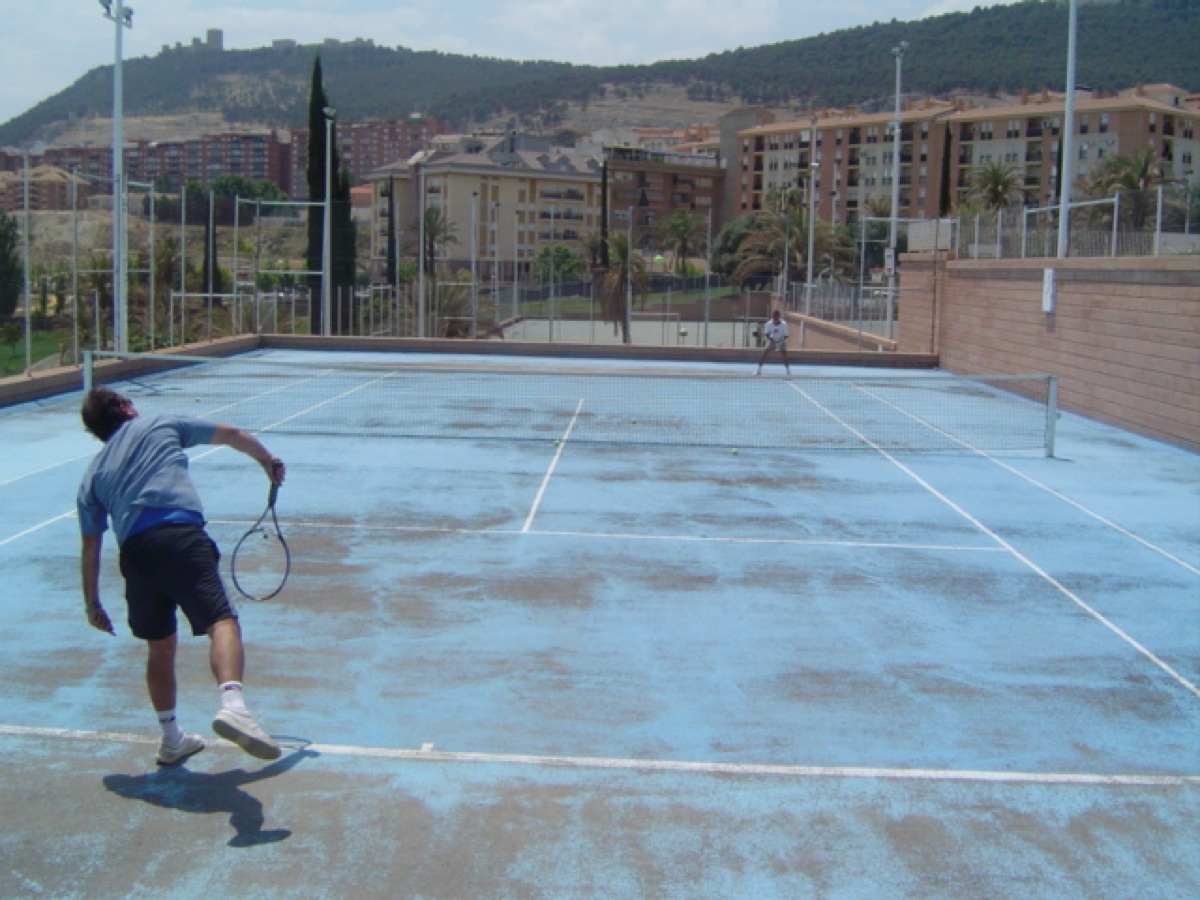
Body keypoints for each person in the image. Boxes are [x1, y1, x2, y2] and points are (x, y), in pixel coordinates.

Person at [77, 387, 286, 766]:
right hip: (179, 538)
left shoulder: (93, 475)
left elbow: (91, 545)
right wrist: (267, 459)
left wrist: (92, 604)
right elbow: (231, 434)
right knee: (221, 621)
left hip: (135, 556)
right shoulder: (159, 424)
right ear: (125, 408)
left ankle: (172, 739)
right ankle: (233, 704)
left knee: (159, 646)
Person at [755, 308, 792, 376]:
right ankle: (758, 370)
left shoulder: (784, 324)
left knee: (784, 353)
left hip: (781, 340)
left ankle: (788, 371)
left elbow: (786, 336)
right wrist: (771, 339)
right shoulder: (769, 324)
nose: (775, 318)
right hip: (772, 340)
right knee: (765, 353)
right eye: (773, 316)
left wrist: (781, 341)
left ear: (779, 317)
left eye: (776, 316)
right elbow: (767, 334)